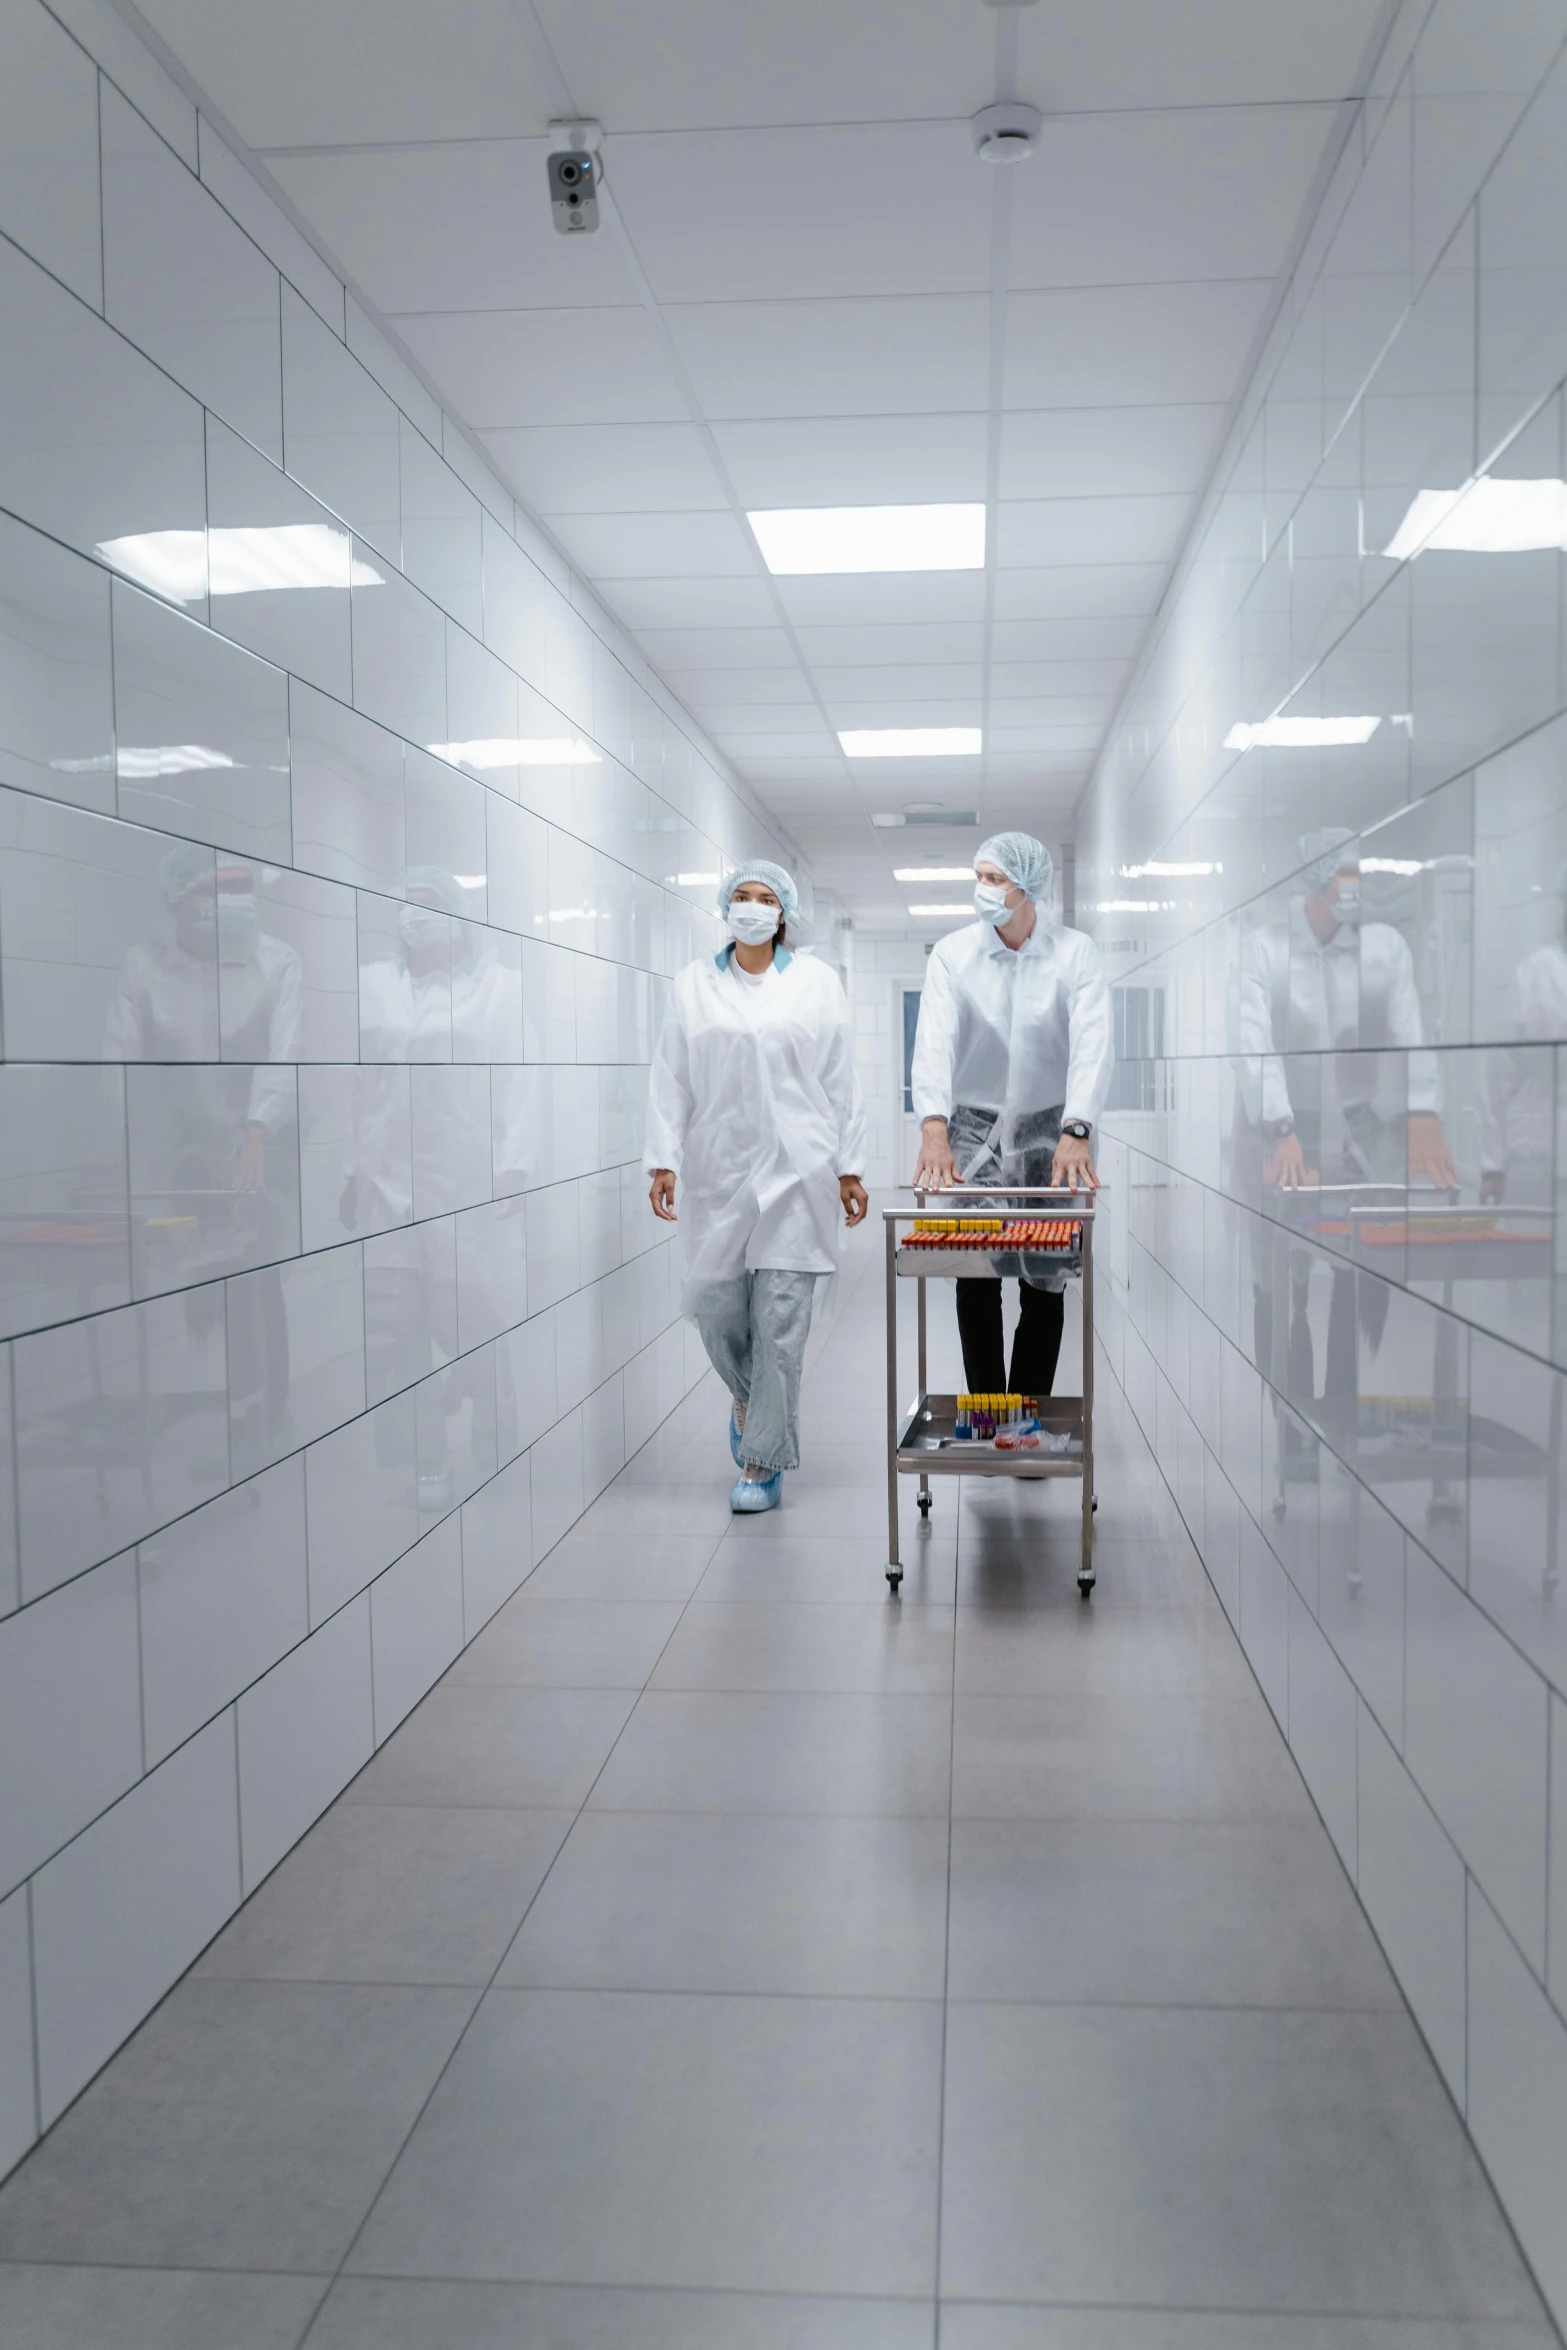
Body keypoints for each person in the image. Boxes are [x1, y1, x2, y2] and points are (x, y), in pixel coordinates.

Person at [645, 861, 868, 1513]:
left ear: (783, 914)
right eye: (740, 897)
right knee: (714, 1313)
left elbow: (841, 1083)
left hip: (798, 1172)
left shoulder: (817, 986)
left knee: (779, 1325)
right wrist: (662, 1159)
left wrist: (849, 1168)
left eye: (764, 898)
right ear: (724, 908)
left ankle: (761, 1460)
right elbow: (669, 1077)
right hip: (717, 1172)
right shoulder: (691, 986)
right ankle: (750, 1398)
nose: (750, 907)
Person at [910, 832, 1112, 1399]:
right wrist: (933, 1126)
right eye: (978, 877)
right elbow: (933, 1042)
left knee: (1045, 1278)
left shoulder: (1075, 954)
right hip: (972, 1131)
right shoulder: (954, 954)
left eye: (994, 879)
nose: (982, 889)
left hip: (1051, 1132)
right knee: (976, 1273)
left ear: (1029, 887)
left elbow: (1094, 1043)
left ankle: (1026, 1417)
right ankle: (988, 1415)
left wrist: (1077, 1129)